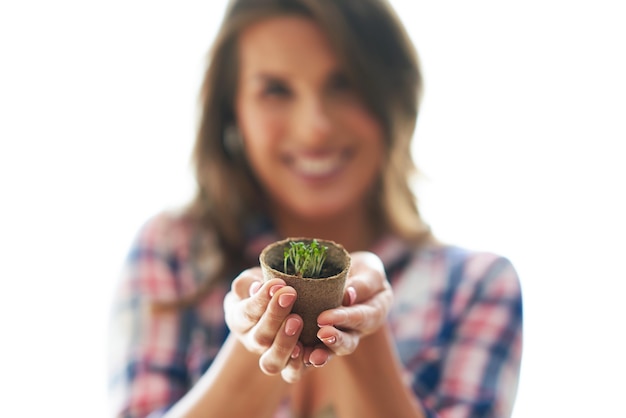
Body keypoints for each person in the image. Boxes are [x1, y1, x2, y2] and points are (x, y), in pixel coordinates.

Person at [107, 0, 523, 417]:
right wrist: (257, 333)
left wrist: (361, 323)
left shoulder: (476, 286)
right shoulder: (174, 251)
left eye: (344, 84)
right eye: (275, 90)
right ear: (232, 112)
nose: (315, 126)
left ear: (394, 95)